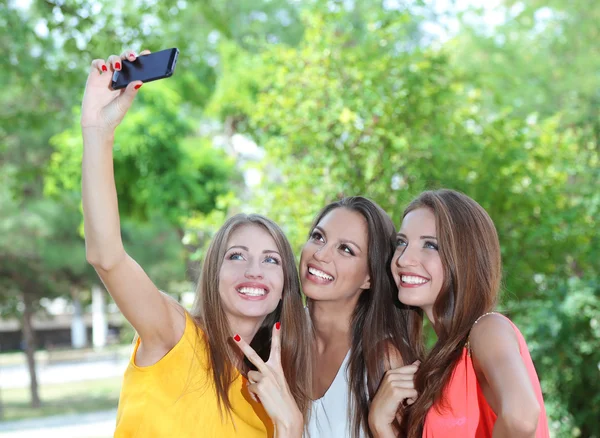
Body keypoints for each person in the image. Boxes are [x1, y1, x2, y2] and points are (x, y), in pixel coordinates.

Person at [81, 50, 311, 438]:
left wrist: (290, 425)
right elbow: (107, 258)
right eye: (236, 255)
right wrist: (97, 132)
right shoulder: (173, 333)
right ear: (213, 273)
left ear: (285, 285)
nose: (254, 269)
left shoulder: (272, 394)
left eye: (271, 260)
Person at [369, 189, 549, 437]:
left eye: (430, 245)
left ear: (466, 259)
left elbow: (522, 416)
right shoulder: (442, 365)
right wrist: (379, 424)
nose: (404, 258)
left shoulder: (488, 329)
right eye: (402, 242)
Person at [300, 197, 417, 438]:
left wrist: (380, 424)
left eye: (346, 249)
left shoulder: (383, 360)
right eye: (318, 237)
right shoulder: (277, 337)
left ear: (370, 278)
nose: (320, 254)